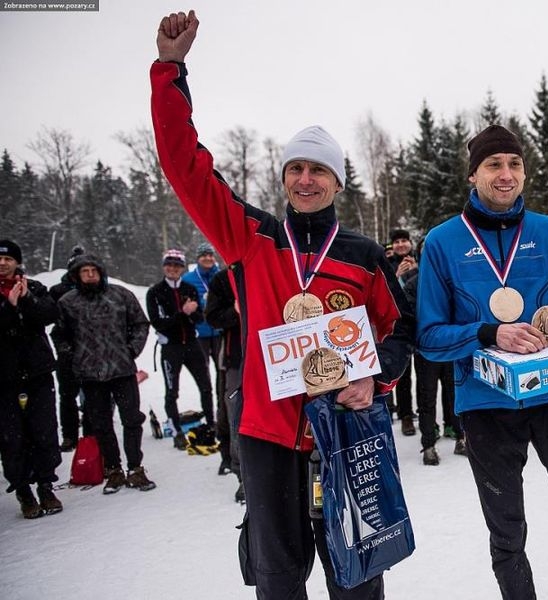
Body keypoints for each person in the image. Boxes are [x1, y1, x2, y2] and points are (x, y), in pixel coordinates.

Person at [152, 11, 415, 599]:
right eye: (295, 167)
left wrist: (375, 377)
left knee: (359, 579)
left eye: (318, 169)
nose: (304, 178)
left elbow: (402, 332)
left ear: (337, 182)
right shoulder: (253, 239)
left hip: (347, 432)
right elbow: (186, 169)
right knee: (276, 581)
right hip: (269, 436)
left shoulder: (364, 255)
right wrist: (171, 71)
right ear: (284, 178)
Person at [416, 124, 548, 599]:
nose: (506, 174)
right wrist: (488, 333)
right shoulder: (442, 242)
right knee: (508, 537)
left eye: (514, 164)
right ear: (474, 175)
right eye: (494, 164)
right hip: (485, 406)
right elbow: (429, 337)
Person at [56, 254, 156, 495]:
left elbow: (141, 323)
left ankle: (135, 467)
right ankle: (113, 469)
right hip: (90, 374)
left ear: (101, 273)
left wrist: (132, 348)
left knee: (132, 419)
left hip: (121, 369)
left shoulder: (119, 295)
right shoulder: (68, 302)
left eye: (94, 270)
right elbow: (59, 334)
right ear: (77, 276)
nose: (90, 275)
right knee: (101, 424)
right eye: (85, 271)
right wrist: (71, 354)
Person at [0, 240, 64, 519]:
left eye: (8, 259)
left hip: (37, 373)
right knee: (12, 436)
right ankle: (23, 489)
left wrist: (26, 300)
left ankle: (46, 484)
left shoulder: (34, 286)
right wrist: (8, 307)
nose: (3, 263)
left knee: (44, 430)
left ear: (17, 261)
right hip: (4, 377)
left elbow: (49, 315)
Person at [401, 240, 464, 465]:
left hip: (450, 347)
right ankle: (428, 444)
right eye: (425, 251)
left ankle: (460, 436)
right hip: (426, 350)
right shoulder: (414, 283)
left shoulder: (451, 279)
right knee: (427, 397)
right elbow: (407, 317)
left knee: (453, 393)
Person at [146, 248, 214, 450]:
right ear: (164, 267)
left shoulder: (189, 288)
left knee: (206, 386)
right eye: (169, 265)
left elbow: (200, 317)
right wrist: (183, 313)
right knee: (171, 391)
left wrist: (191, 314)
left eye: (177, 265)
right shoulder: (155, 292)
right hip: (170, 347)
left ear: (182, 268)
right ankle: (176, 431)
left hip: (192, 344)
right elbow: (158, 323)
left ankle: (211, 423)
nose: (173, 269)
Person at [205, 264, 244, 502]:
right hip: (236, 359)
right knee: (237, 418)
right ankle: (243, 478)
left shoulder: (267, 268)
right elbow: (212, 317)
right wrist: (236, 311)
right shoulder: (222, 279)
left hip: (273, 356)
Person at [49, 244, 88, 451]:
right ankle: (70, 436)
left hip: (91, 349)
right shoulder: (57, 291)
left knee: (92, 394)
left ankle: (92, 433)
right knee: (67, 396)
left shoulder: (95, 287)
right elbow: (51, 321)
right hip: (67, 350)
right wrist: (62, 346)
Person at [182, 242, 225, 408]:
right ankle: (208, 410)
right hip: (201, 334)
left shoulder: (222, 275)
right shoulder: (188, 279)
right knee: (203, 374)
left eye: (210, 255)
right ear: (198, 259)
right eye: (204, 255)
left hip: (220, 333)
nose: (208, 258)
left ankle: (222, 409)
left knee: (223, 374)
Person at [387, 228, 417, 436]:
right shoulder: (387, 264)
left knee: (425, 374)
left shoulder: (420, 261)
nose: (400, 244)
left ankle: (423, 413)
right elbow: (384, 290)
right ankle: (405, 415)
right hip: (398, 325)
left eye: (404, 240)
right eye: (396, 241)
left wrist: (416, 271)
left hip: (421, 322)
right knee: (403, 373)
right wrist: (396, 275)